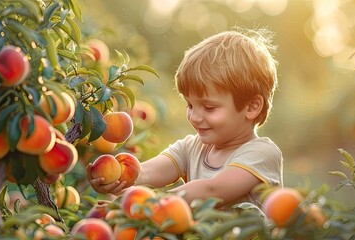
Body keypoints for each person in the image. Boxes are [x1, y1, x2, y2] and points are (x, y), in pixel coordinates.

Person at [87, 27, 283, 209]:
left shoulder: (262, 154)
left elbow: (211, 190)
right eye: (190, 105)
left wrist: (149, 202)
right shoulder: (192, 148)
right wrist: (117, 177)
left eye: (209, 107)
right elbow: (147, 172)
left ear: (251, 106)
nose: (195, 117)